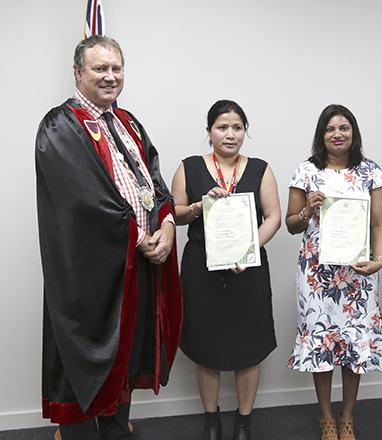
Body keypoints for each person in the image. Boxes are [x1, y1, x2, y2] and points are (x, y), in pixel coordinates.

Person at [35, 35, 182, 439]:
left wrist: (167, 226)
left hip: (136, 271)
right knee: (88, 365)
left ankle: (116, 431)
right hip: (91, 280)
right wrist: (139, 234)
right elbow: (81, 205)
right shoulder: (60, 126)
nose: (110, 76)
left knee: (127, 360)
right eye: (100, 68)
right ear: (78, 73)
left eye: (116, 68)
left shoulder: (130, 124)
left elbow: (156, 187)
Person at [171, 100, 280, 440]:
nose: (230, 134)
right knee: (207, 345)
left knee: (249, 346)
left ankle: (243, 421)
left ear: (244, 131)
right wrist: (198, 206)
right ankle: (211, 420)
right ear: (209, 132)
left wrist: (249, 251)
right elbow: (174, 214)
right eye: (222, 127)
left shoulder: (261, 168)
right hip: (201, 270)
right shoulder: (188, 167)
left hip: (247, 270)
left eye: (237, 127)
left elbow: (274, 217)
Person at [286, 104, 382, 440]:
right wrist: (307, 210)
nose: (337, 134)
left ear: (353, 133)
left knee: (353, 344)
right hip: (317, 275)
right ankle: (326, 417)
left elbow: (377, 223)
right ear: (322, 135)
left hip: (358, 274)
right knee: (322, 343)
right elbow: (290, 223)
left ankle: (347, 417)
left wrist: (380, 259)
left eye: (344, 128)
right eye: (330, 129)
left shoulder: (371, 172)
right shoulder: (305, 171)